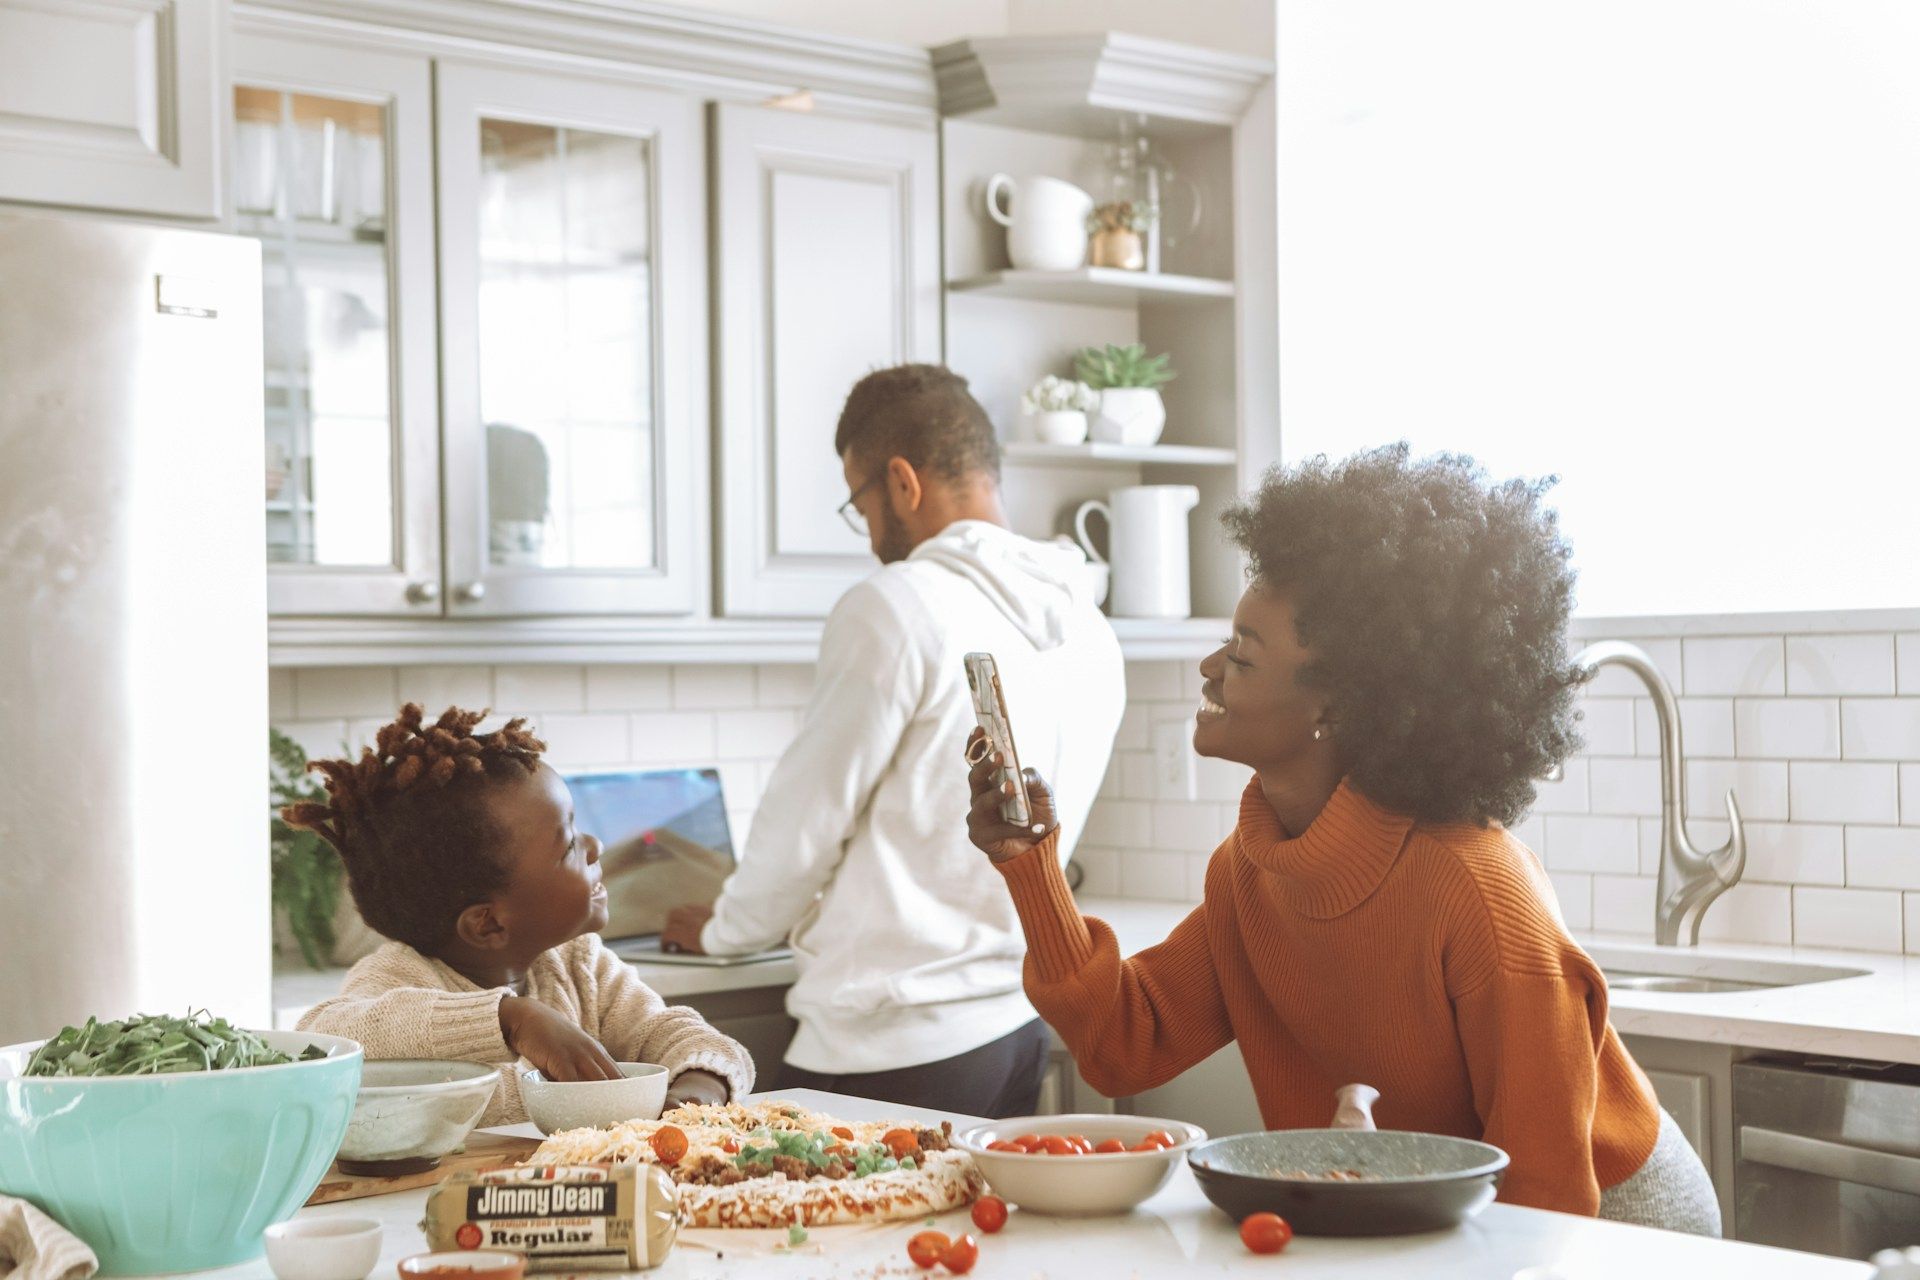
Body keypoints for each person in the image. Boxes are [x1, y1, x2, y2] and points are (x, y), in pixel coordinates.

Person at [965, 444, 1721, 1234]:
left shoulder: (1480, 894)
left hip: (1618, 1225)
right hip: (1442, 1212)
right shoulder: (1250, 871)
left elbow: (1546, 1200)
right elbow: (1126, 1043)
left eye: (1244, 655)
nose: (1210, 666)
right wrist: (1030, 863)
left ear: (1343, 703)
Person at [661, 363, 1124, 1117]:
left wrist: (724, 931)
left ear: (903, 482)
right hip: (1017, 1029)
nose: (871, 533)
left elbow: (804, 823)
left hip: (889, 1046)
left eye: (861, 502)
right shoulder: (1087, 626)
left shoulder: (896, 606)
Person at [292, 704, 755, 1125]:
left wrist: (697, 1094)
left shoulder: (577, 964)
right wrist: (514, 1019)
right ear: (489, 923)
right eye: (569, 845)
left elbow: (682, 1036)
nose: (595, 846)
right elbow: (320, 1036)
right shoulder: (400, 977)